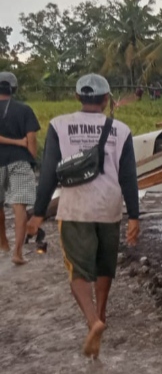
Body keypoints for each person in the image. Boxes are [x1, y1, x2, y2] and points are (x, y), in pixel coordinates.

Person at [27, 74, 140, 359]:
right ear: (106, 100)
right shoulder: (121, 130)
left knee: (78, 271)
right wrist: (135, 216)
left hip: (75, 208)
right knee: (104, 266)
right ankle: (102, 313)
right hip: (109, 207)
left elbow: (49, 174)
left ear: (78, 97)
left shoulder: (59, 125)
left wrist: (38, 213)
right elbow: (129, 177)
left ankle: (94, 321)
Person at [0, 71, 40, 265]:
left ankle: (3, 241)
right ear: (13, 88)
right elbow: (31, 139)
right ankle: (17, 252)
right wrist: (31, 157)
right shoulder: (24, 110)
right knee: (19, 206)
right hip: (19, 161)